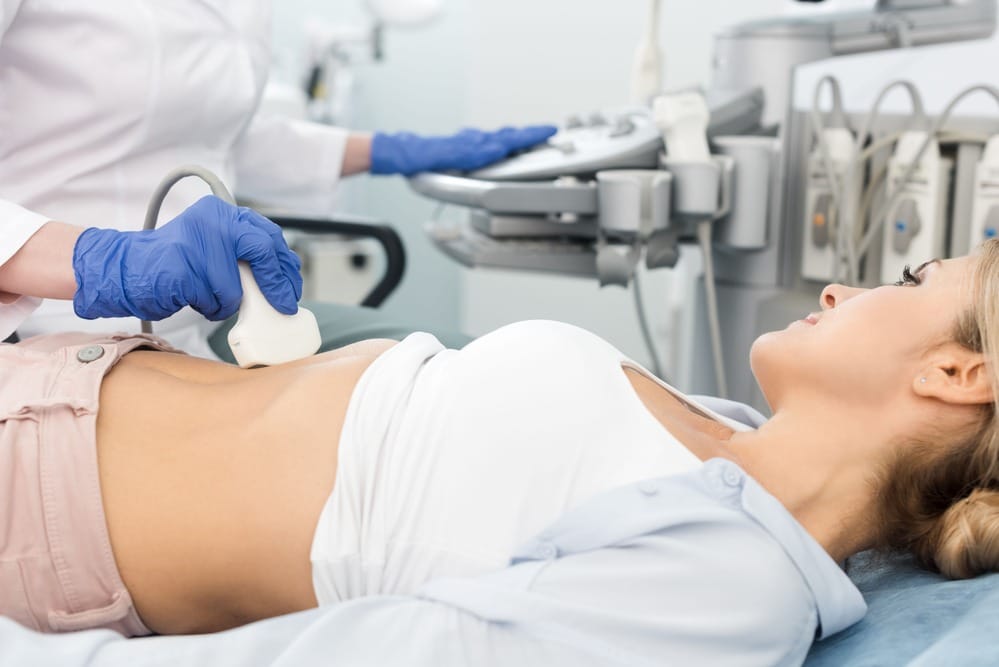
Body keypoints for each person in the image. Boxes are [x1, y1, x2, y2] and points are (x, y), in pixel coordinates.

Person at [5, 239, 999, 662]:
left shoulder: (735, 586)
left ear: (959, 374)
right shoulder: (727, 436)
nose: (841, 290)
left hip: (34, 503)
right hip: (66, 367)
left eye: (910, 276)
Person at [0, 0, 555, 356]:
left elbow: (216, 126)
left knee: (471, 369)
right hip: (49, 327)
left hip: (216, 311)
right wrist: (97, 259)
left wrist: (394, 151)